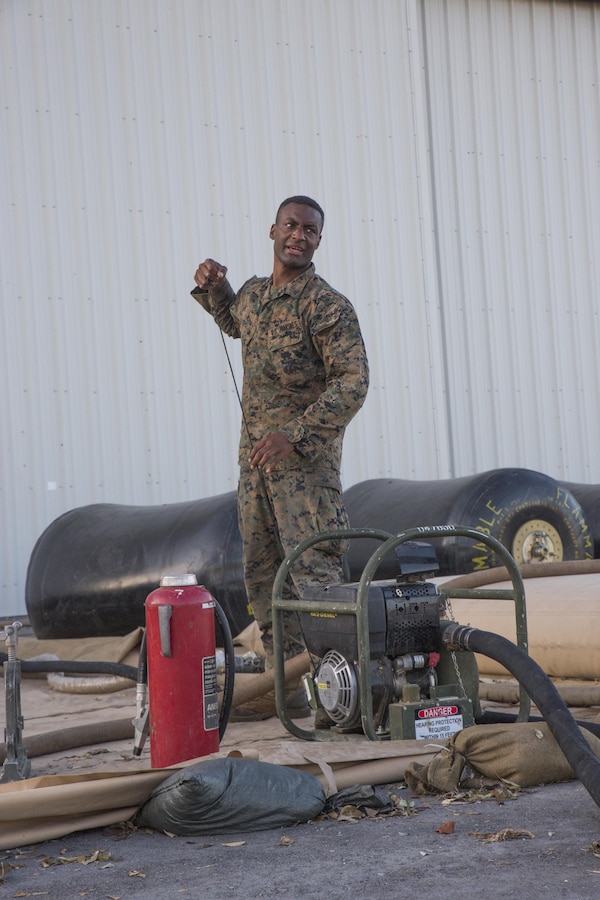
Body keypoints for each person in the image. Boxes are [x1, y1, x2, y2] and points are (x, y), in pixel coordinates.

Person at [192, 196, 369, 681]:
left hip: (306, 477)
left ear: (318, 240)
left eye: (310, 230)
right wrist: (215, 285)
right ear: (273, 231)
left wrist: (293, 435)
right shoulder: (254, 296)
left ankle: (342, 693)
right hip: (256, 474)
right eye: (290, 226)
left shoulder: (328, 306)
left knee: (315, 582)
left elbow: (353, 383)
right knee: (266, 582)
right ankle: (286, 691)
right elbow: (234, 321)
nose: (298, 236)